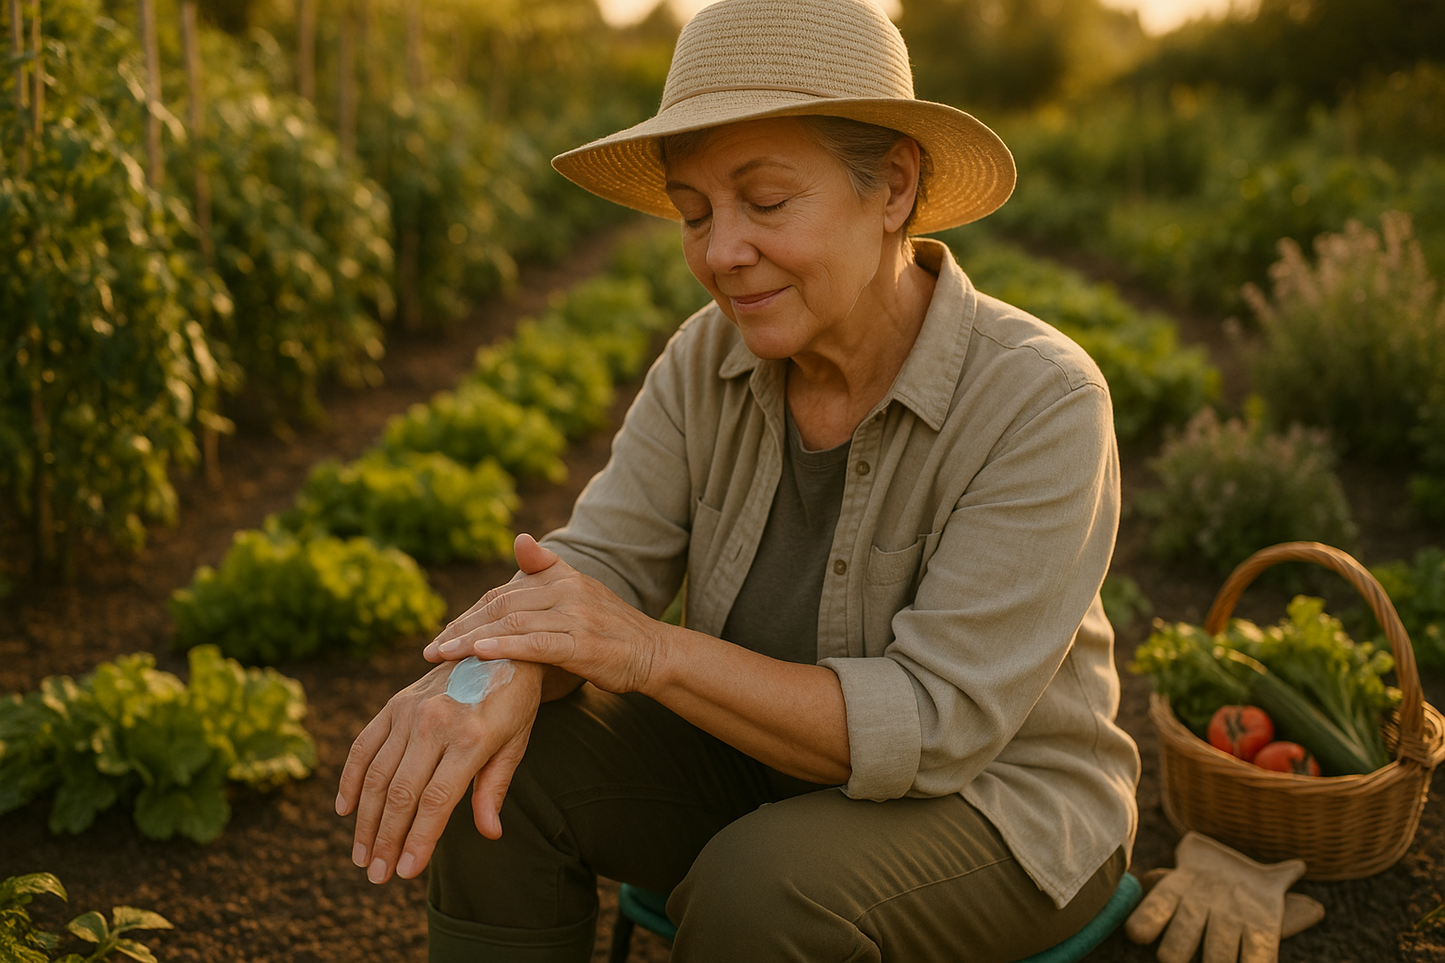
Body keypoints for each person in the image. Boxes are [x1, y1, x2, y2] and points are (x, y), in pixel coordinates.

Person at [335, 0, 1141, 959]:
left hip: (997, 809)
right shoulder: (703, 361)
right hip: (759, 763)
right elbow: (595, 560)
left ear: (891, 186)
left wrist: (653, 653)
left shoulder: (1039, 400)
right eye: (694, 212)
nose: (719, 252)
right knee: (491, 764)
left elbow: (935, 724)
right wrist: (482, 676)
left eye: (764, 202)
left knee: (763, 890)